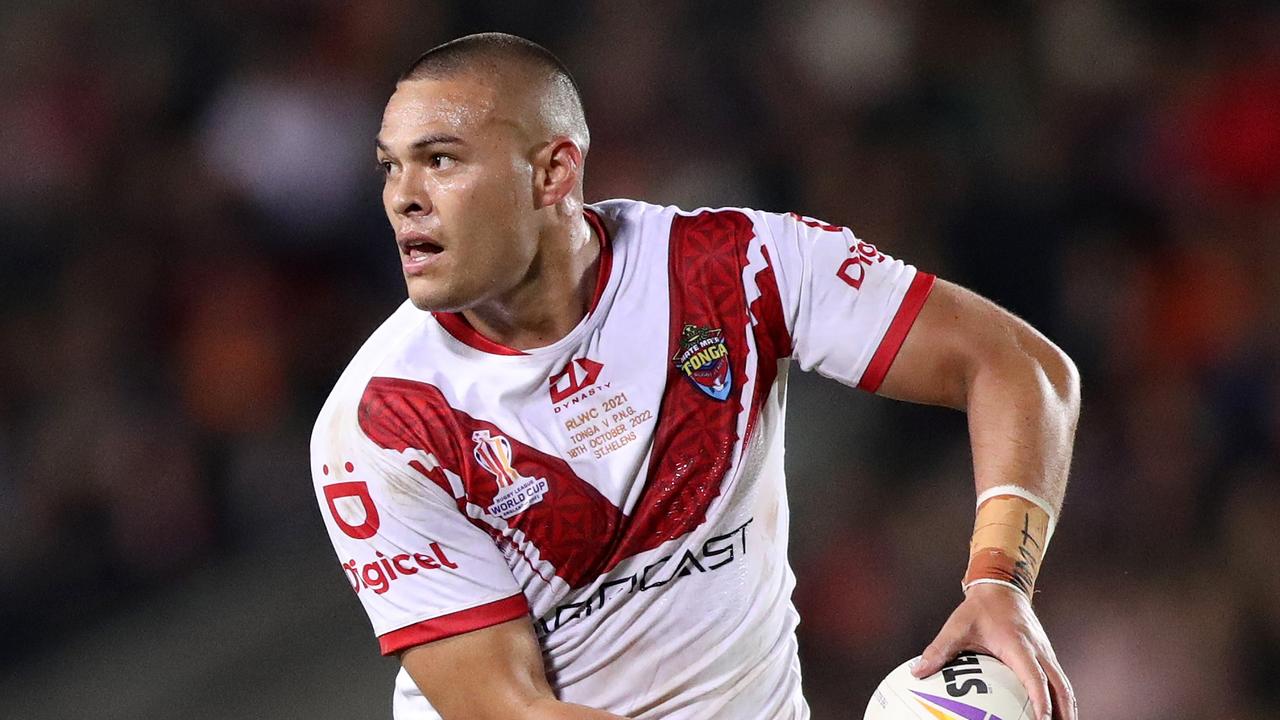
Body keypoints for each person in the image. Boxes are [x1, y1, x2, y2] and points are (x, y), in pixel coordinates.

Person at [310, 32, 1080, 720]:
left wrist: (998, 582)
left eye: (439, 160)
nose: (402, 199)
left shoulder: (737, 269)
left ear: (552, 172)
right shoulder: (381, 421)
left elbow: (1019, 367)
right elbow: (511, 711)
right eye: (390, 167)